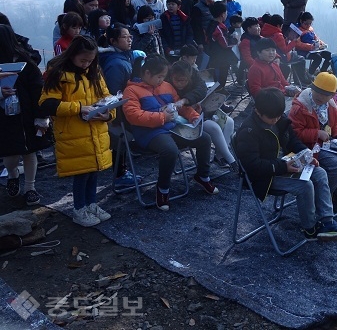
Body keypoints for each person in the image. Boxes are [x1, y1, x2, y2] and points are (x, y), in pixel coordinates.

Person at [234, 87, 337, 241]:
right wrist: (284, 167)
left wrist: (306, 154)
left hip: (283, 164)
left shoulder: (279, 119)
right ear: (258, 111)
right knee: (305, 185)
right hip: (263, 177)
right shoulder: (249, 131)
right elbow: (252, 166)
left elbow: (292, 140)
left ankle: (327, 222)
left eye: (278, 116)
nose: (276, 120)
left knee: (320, 172)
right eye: (272, 118)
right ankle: (310, 229)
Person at [122, 55, 218, 211]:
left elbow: (179, 106)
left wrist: (194, 117)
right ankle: (163, 188)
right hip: (149, 133)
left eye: (163, 76)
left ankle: (202, 175)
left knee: (204, 138)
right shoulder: (131, 90)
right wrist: (162, 117)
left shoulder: (166, 86)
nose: (162, 80)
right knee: (170, 150)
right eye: (159, 76)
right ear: (146, 73)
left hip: (171, 127)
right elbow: (133, 116)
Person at [39, 36, 114, 226]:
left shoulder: (94, 71)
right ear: (72, 55)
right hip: (73, 133)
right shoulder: (59, 74)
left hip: (96, 130)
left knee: (94, 171)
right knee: (82, 173)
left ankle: (91, 204)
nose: (86, 64)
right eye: (83, 60)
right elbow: (47, 104)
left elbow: (107, 97)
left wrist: (108, 114)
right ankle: (79, 209)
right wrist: (80, 108)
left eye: (90, 60)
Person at [288, 72, 337, 212]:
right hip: (308, 148)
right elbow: (294, 134)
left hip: (325, 144)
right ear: (312, 89)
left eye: (325, 94)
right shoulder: (301, 107)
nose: (320, 97)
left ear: (332, 95)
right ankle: (322, 200)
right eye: (318, 92)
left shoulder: (330, 105)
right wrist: (316, 133)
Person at [0, 25, 51, 205]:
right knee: (10, 154)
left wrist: (42, 117)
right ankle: (13, 174)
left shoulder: (26, 63)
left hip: (27, 116)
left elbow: (38, 91)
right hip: (5, 119)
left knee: (30, 152)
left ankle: (30, 187)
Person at [98, 23, 146, 188]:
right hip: (120, 112)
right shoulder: (116, 63)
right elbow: (114, 93)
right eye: (125, 37)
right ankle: (120, 174)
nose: (129, 40)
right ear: (113, 41)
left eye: (130, 36)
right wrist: (117, 116)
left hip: (126, 108)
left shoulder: (125, 57)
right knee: (121, 140)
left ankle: (122, 172)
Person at [168, 61, 236, 169]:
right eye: (177, 80)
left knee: (229, 122)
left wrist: (188, 100)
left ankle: (220, 156)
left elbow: (201, 89)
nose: (180, 83)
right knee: (214, 127)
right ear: (171, 76)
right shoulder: (168, 84)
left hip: (200, 110)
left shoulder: (193, 74)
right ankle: (230, 159)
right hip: (186, 117)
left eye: (183, 81)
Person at [260, 13, 310, 85]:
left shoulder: (264, 31)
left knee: (295, 56)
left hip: (271, 55)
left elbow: (278, 45)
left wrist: (285, 40)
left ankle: (297, 81)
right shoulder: (278, 35)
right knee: (301, 59)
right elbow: (285, 50)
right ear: (278, 25)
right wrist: (294, 41)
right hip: (282, 56)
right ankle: (302, 80)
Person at [208, 1, 238, 90]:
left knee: (217, 81)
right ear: (222, 14)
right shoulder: (218, 28)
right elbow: (225, 44)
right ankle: (218, 101)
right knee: (220, 82)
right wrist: (236, 39)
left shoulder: (210, 24)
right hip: (220, 59)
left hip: (213, 56)